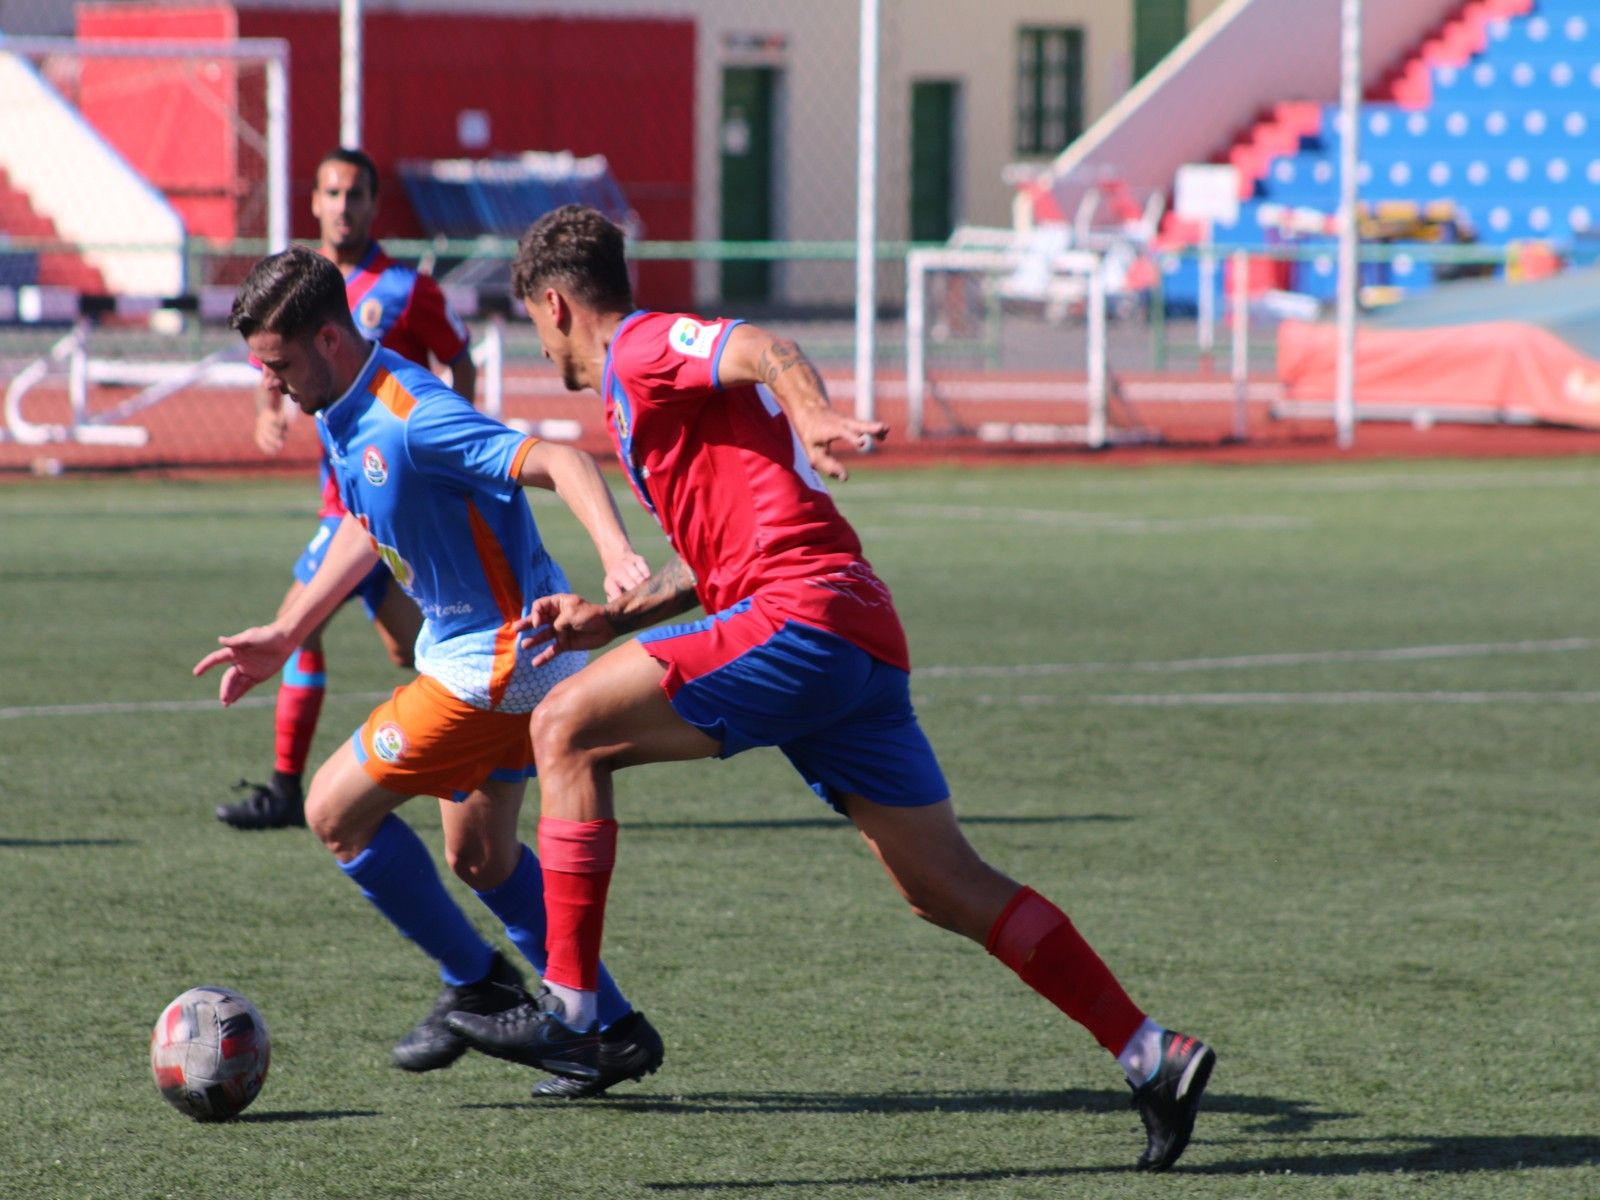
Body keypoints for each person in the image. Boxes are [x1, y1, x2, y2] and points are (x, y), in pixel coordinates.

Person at [444, 205, 1216, 1169]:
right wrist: (612, 617)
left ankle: (577, 1010)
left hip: (801, 616)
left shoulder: (639, 348)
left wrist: (811, 414)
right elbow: (722, 558)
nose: (538, 343)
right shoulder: (646, 391)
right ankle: (1151, 1053)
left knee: (564, 724)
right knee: (945, 886)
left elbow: (766, 346)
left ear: (552, 305)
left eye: (531, 324)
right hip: (851, 629)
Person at [195, 244, 664, 1097]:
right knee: (482, 857)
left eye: (281, 364)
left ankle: (478, 983)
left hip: (496, 666)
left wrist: (619, 555)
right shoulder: (343, 403)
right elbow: (363, 523)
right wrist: (289, 629)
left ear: (331, 338)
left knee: (334, 810)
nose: (275, 385)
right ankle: (608, 1031)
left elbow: (561, 461)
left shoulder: (413, 413)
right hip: (502, 658)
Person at [220, 146, 478, 832]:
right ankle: (483, 742)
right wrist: (267, 410)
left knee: (308, 630)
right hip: (346, 506)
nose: (342, 206)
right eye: (331, 193)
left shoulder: (404, 290)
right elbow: (271, 366)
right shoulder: (297, 288)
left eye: (355, 194)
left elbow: (459, 357)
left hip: (376, 507)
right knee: (382, 644)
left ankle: (288, 788)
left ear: (372, 205)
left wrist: (453, 446)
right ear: (314, 202)